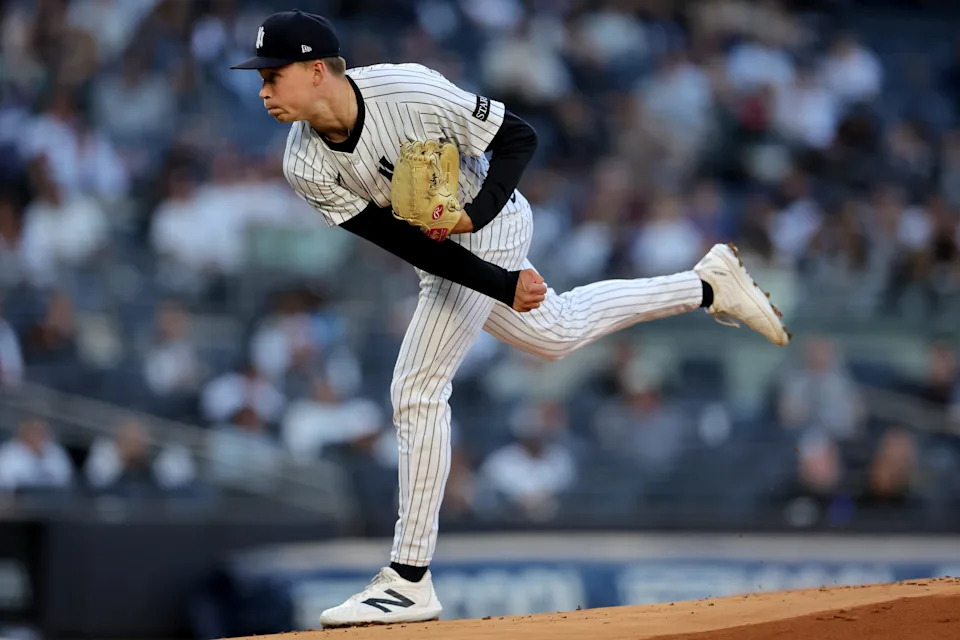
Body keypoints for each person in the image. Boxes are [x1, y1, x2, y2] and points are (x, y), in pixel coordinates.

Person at [231, 10, 791, 628]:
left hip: (494, 220)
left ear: (317, 70)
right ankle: (707, 286)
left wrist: (476, 216)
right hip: (444, 252)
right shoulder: (304, 164)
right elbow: (410, 245)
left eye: (272, 74)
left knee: (416, 387)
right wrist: (500, 285)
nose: (262, 90)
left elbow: (518, 137)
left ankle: (408, 578)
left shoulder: (410, 90)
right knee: (557, 334)